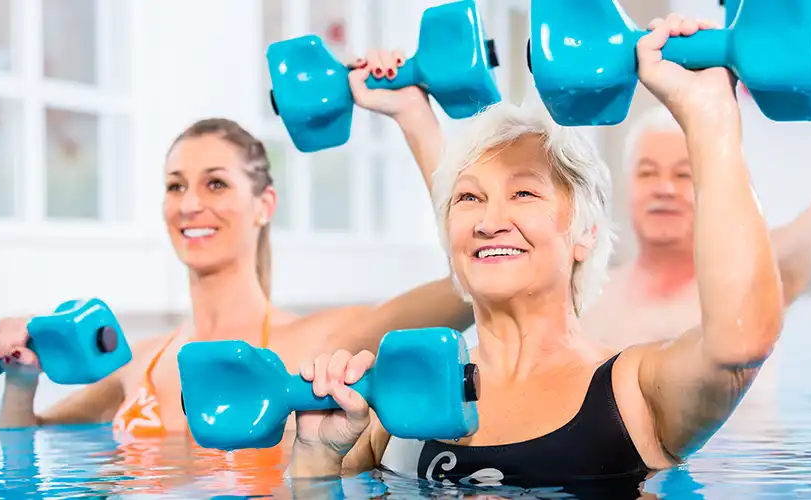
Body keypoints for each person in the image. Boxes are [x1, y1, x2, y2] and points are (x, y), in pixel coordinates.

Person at [286, 15, 785, 496]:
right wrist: (317, 459)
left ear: (584, 234)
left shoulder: (635, 391)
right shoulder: (390, 405)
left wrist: (708, 116)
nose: (488, 221)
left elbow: (739, 343)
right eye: (468, 199)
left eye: (523, 195)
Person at [0, 49, 472, 443]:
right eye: (175, 186)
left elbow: (470, 283)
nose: (190, 204)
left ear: (264, 204)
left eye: (215, 184)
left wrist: (412, 115)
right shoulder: (139, 362)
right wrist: (21, 379)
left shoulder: (322, 343)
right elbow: (28, 440)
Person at [581, 8, 811, 350]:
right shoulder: (589, 297)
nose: (664, 189)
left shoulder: (759, 274)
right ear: (626, 185)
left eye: (683, 174)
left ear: (711, 179)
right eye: (648, 172)